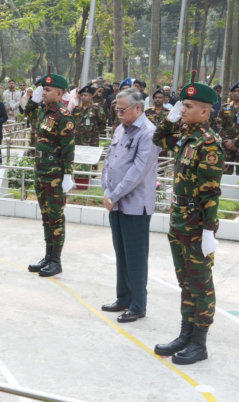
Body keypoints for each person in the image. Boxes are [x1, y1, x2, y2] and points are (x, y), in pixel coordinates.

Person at [151, 71, 223, 365]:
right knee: (185, 282)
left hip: (195, 223)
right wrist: (167, 121)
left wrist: (209, 230)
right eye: (182, 105)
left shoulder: (209, 144)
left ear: (205, 112)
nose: (182, 110)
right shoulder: (185, 136)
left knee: (201, 284)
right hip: (178, 219)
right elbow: (158, 140)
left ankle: (199, 343)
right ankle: (185, 334)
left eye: (188, 107)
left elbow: (211, 194)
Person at [100, 88, 159, 324]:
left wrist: (113, 195)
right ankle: (123, 298)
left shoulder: (148, 133)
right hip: (115, 202)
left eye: (122, 109)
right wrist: (107, 191)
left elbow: (138, 172)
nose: (119, 113)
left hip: (134, 205)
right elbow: (109, 161)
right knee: (121, 254)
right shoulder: (119, 129)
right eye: (117, 109)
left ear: (138, 108)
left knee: (135, 257)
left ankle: (138, 305)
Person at [24, 72, 77, 278]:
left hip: (55, 173)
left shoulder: (63, 116)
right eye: (42, 90)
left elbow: (68, 148)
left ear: (59, 93)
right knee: (46, 217)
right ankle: (47, 256)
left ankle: (56, 260)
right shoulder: (42, 112)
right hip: (41, 171)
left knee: (56, 218)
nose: (43, 93)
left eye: (47, 90)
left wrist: (67, 175)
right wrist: (32, 101)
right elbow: (26, 114)